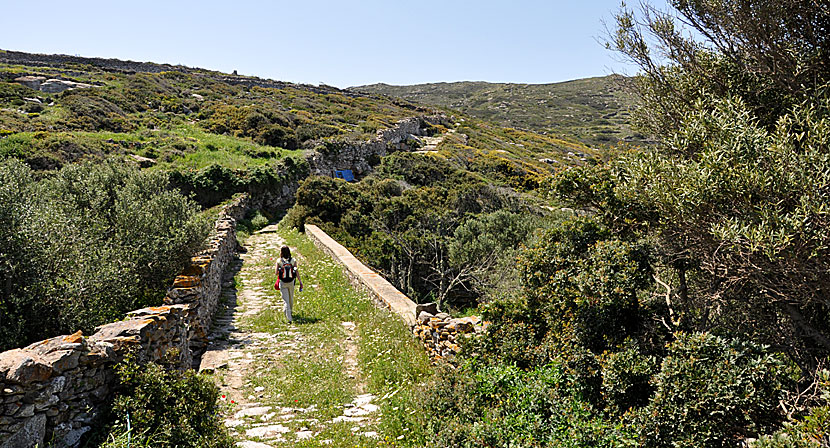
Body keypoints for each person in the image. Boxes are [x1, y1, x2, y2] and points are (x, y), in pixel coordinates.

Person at [275, 245, 302, 323]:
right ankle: (289, 313)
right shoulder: (293, 260)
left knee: (285, 300)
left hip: (283, 282)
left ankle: (289, 318)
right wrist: (300, 282)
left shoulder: (279, 261)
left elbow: (276, 273)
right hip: (291, 282)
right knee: (290, 299)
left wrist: (281, 270)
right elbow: (296, 271)